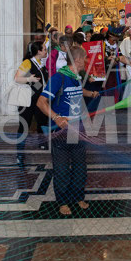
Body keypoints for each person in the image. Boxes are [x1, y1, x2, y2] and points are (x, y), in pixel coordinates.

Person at [37, 47, 99, 216]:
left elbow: (78, 91)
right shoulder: (59, 77)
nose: (87, 61)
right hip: (61, 130)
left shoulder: (75, 77)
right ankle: (62, 201)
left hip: (78, 128)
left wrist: (90, 93)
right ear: (78, 60)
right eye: (85, 58)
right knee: (62, 169)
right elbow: (41, 102)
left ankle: (78, 197)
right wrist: (56, 117)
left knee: (80, 167)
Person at [14, 41, 48, 166]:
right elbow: (17, 78)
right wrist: (29, 79)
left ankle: (42, 143)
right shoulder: (27, 62)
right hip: (27, 101)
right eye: (44, 49)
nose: (46, 51)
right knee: (24, 126)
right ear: (38, 51)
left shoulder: (41, 63)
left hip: (39, 99)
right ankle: (19, 153)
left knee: (42, 121)